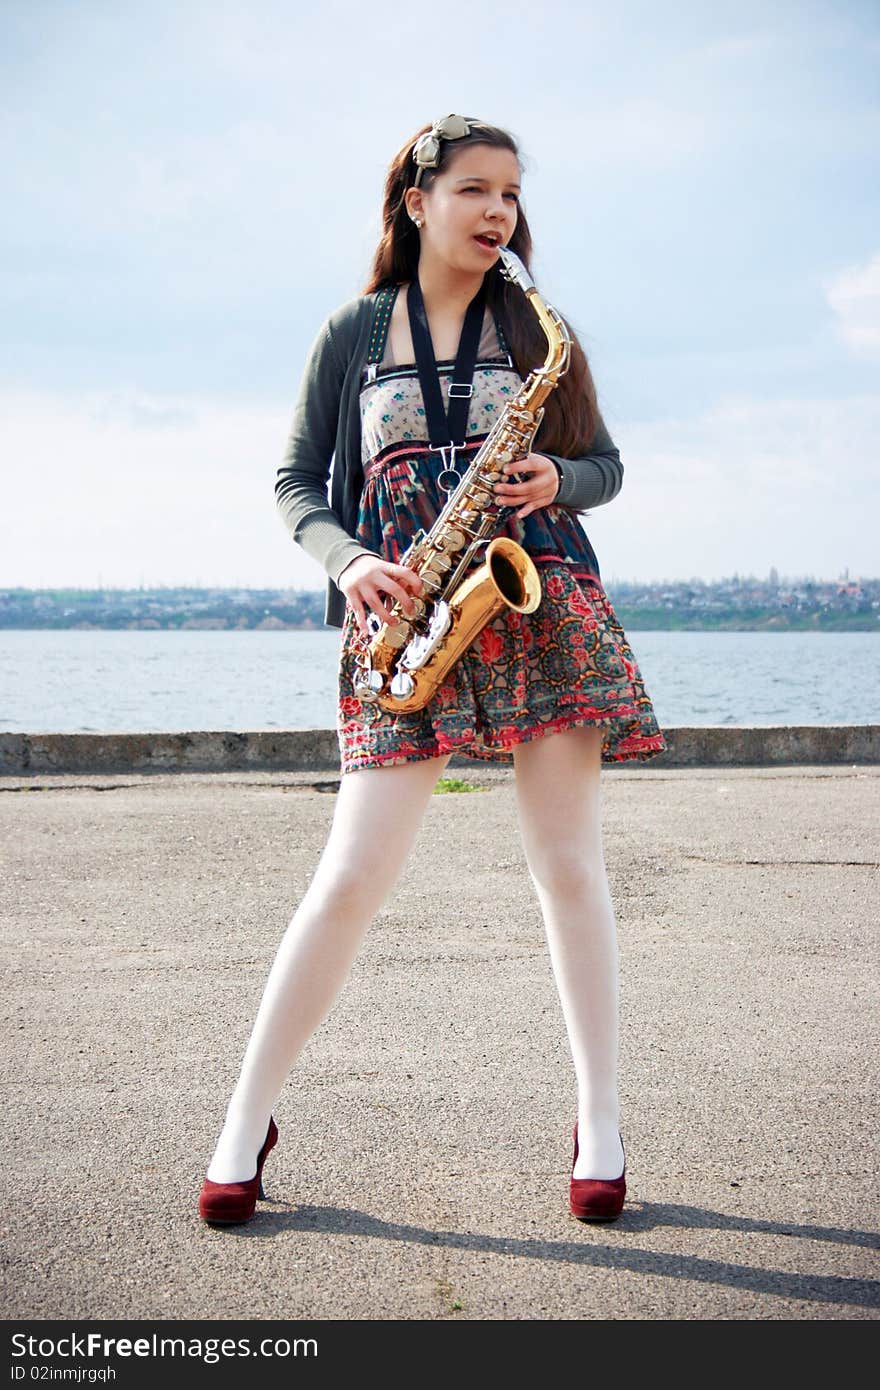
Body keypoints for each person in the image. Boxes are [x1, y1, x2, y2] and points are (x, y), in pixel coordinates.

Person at [198, 113, 667, 1228]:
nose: (498, 210)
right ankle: (243, 1120)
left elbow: (606, 464)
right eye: (473, 188)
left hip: (541, 598)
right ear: (415, 200)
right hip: (404, 616)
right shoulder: (353, 334)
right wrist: (348, 558)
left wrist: (561, 475)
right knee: (349, 880)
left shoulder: (535, 328)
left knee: (567, 868)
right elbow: (293, 481)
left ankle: (598, 1119)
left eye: (509, 191)